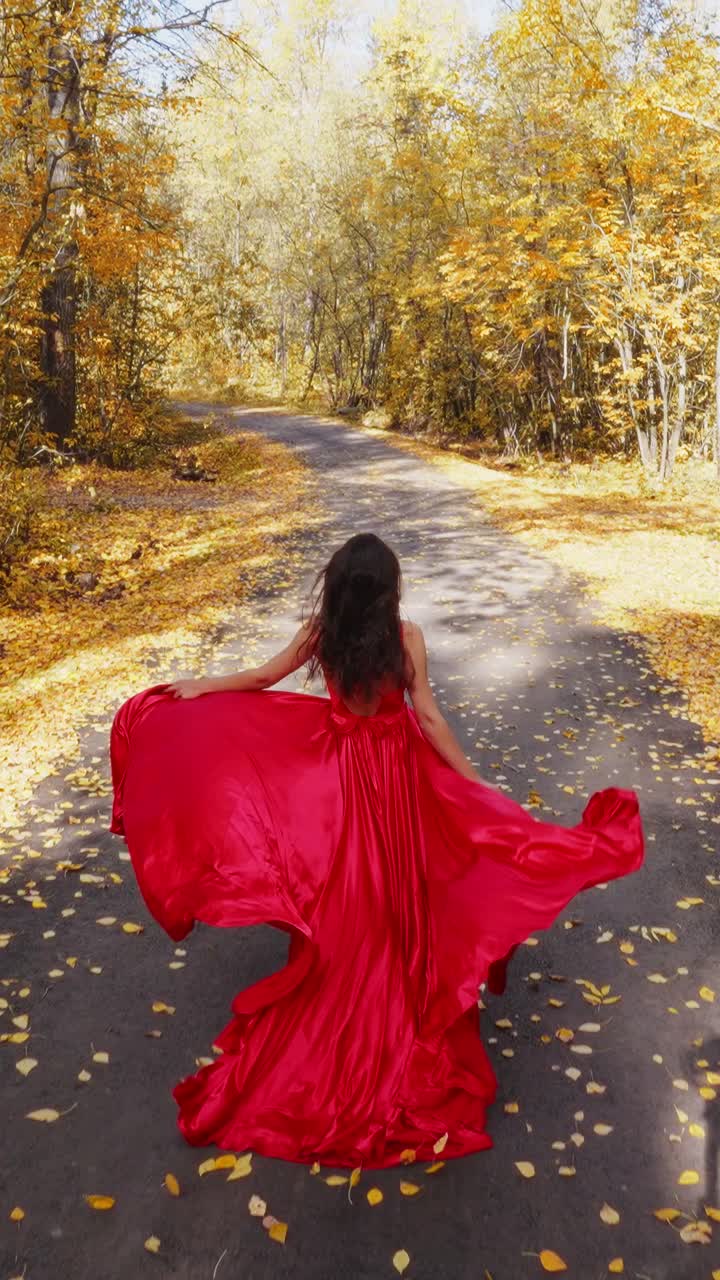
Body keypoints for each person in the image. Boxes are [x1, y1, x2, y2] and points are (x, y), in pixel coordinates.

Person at [109, 531, 644, 1168]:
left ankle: (351, 981)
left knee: (346, 882)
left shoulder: (322, 633)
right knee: (403, 878)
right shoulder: (405, 638)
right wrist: (476, 785)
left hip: (341, 770)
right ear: (390, 590)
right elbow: (429, 718)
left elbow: (261, 677)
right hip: (396, 773)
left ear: (337, 587)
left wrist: (203, 686)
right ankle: (400, 986)